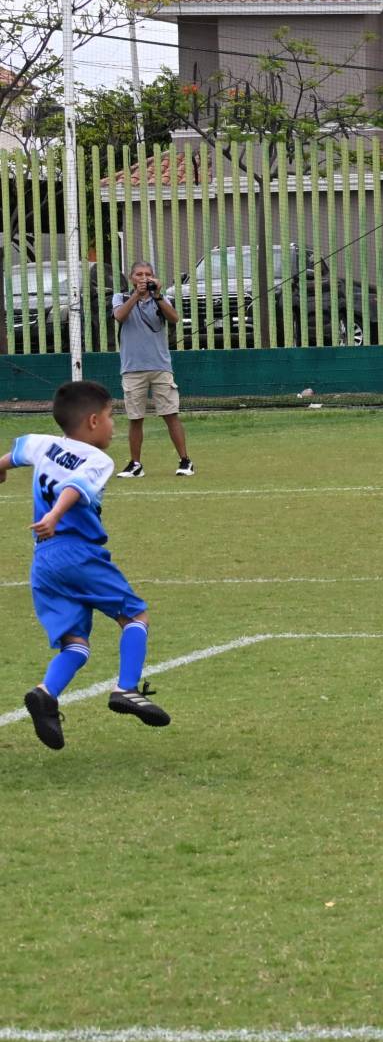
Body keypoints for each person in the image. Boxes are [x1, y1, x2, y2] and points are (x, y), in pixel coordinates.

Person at [2, 379, 170, 751]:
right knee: (135, 616)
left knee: (75, 644)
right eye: (112, 416)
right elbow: (74, 487)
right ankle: (126, 689)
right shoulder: (98, 459)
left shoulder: (45, 443)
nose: (114, 425)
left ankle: (45, 694)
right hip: (77, 552)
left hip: (44, 561)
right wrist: (56, 515)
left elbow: (14, 456)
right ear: (93, 421)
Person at [111, 261, 193, 478]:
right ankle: (135, 464)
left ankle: (185, 461)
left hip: (160, 366)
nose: (143, 278)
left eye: (148, 274)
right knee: (135, 417)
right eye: (139, 274)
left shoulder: (161, 298)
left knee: (170, 414)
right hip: (132, 367)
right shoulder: (120, 298)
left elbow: (174, 318)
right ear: (131, 278)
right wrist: (136, 296)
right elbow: (119, 316)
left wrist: (156, 296)